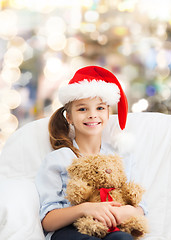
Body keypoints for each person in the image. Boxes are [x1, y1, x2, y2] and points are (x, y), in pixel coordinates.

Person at [35, 66, 147, 240]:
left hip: (113, 228)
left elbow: (141, 208)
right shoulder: (58, 159)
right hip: (71, 231)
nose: (92, 115)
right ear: (69, 117)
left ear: (108, 112)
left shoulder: (122, 157)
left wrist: (126, 211)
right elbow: (48, 220)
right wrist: (86, 208)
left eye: (100, 108)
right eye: (82, 109)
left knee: (122, 239)